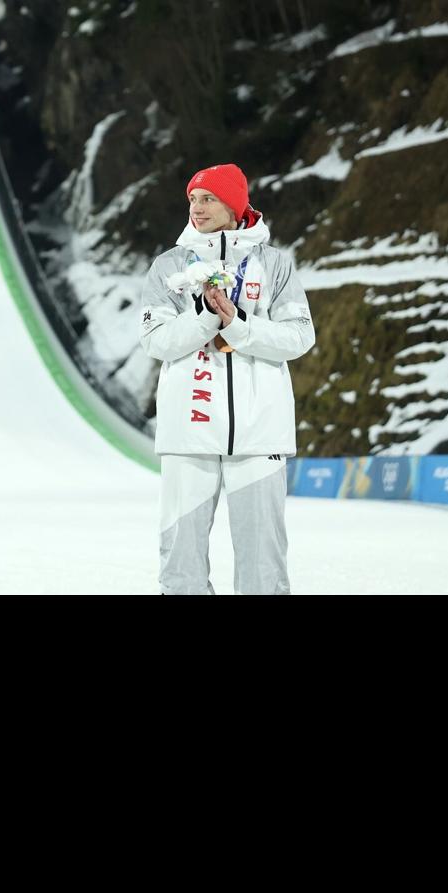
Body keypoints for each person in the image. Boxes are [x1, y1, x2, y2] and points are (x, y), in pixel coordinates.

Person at [138, 164, 315, 595]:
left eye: (208, 199)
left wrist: (237, 327)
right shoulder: (169, 266)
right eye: (193, 200)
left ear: (234, 203)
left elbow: (298, 336)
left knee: (263, 558)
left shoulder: (274, 265)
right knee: (181, 557)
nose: (196, 209)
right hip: (189, 430)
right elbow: (156, 340)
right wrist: (204, 319)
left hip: (260, 431)